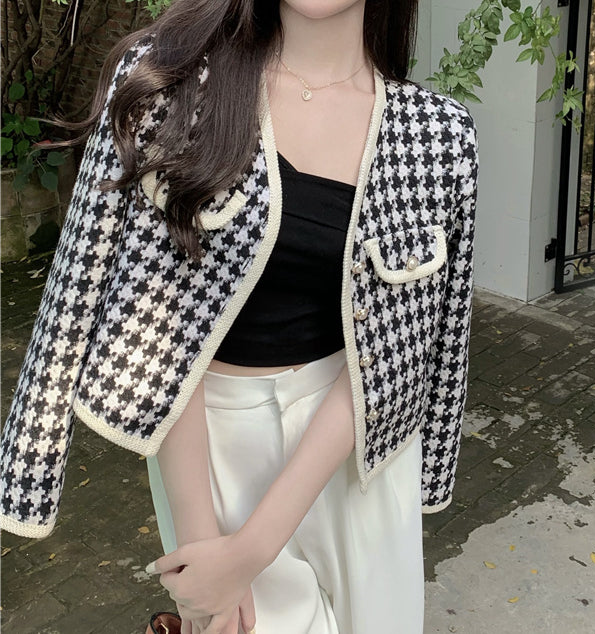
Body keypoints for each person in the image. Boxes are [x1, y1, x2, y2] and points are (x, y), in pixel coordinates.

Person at [0, 0, 479, 633]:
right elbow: (143, 310)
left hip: (357, 452)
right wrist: (205, 550)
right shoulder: (171, 85)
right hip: (208, 450)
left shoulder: (437, 135)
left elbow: (418, 346)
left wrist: (256, 547)